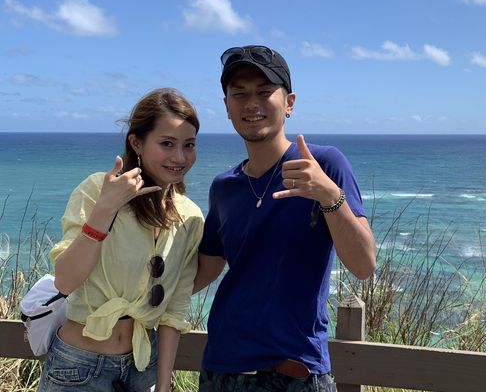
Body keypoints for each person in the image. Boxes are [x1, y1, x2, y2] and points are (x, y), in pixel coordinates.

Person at [194, 45, 377, 391]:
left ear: (289, 103)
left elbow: (364, 264)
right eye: (239, 94)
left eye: (264, 92)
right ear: (227, 107)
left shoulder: (324, 165)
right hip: (221, 368)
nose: (252, 104)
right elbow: (203, 270)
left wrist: (329, 196)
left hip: (296, 373)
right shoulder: (224, 187)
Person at [39, 88, 204, 392]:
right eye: (167, 143)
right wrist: (106, 209)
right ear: (136, 142)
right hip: (79, 366)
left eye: (189, 145)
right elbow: (65, 281)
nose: (180, 157)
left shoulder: (190, 216)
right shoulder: (96, 190)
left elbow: (175, 308)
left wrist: (163, 384)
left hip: (143, 368)